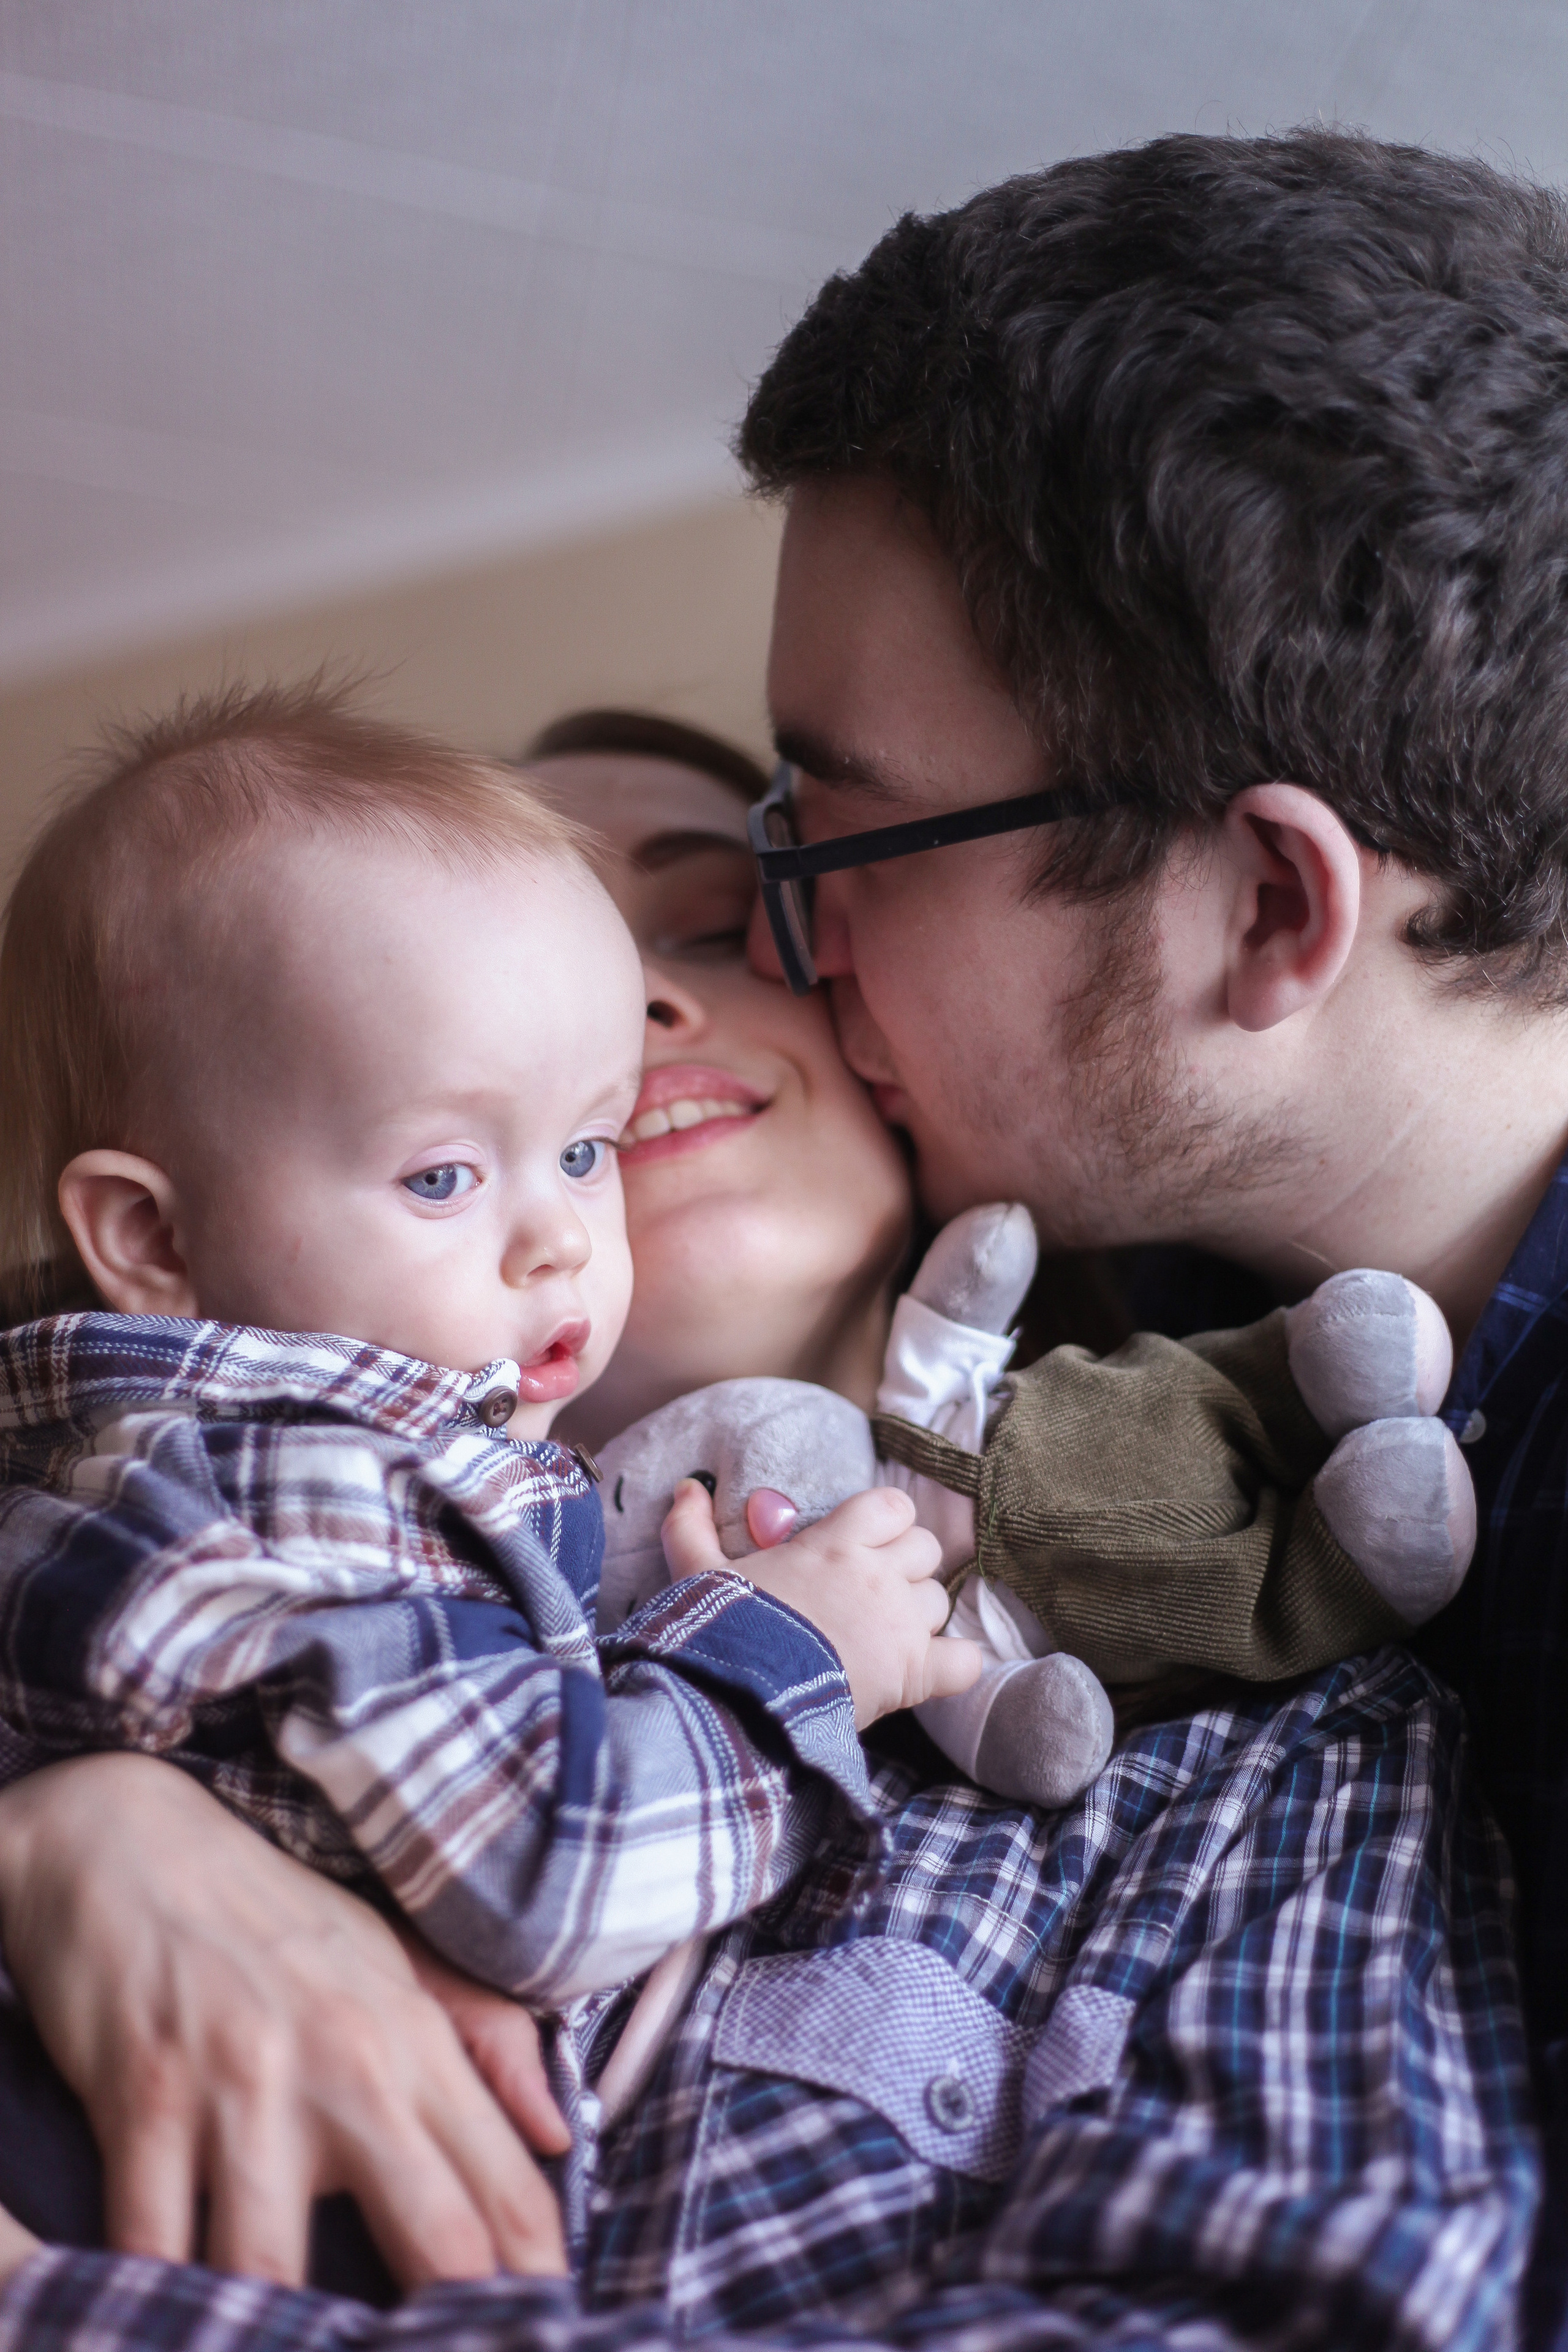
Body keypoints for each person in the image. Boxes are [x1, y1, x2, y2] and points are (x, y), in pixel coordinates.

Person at [0, 688, 1537, 2352]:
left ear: (887, 1045)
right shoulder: (129, 1554)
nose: (629, 1006)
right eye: (442, 1092)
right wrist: (61, 1830)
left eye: (727, 927)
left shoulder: (1265, 1757)